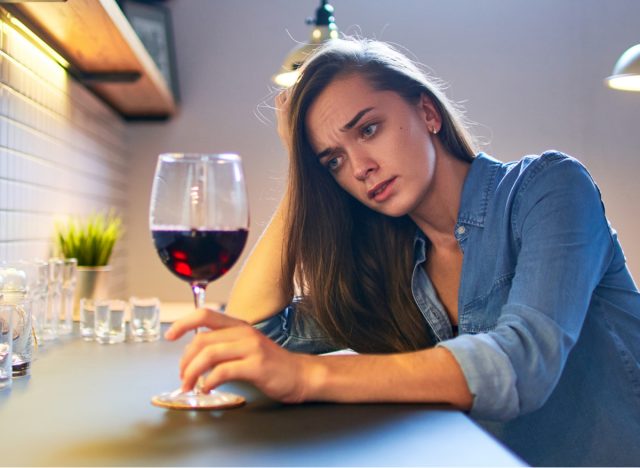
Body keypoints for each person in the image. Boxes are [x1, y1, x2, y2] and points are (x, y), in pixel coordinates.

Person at [166, 38, 640, 466]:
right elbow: (258, 334)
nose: (361, 168)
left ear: (428, 113)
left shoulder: (549, 188)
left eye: (368, 130)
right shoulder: (388, 261)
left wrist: (308, 376)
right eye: (334, 160)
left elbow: (521, 365)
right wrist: (302, 166)